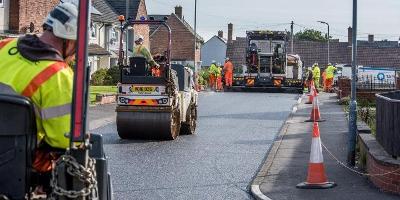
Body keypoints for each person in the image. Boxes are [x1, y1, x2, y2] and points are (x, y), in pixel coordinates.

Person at [0, 0, 79, 193]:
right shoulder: (59, 75)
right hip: (18, 170)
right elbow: (63, 142)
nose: (74, 56)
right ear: (69, 41)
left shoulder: (4, 45)